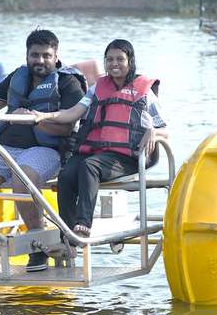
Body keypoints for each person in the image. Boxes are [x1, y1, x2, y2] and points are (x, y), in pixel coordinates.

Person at [0, 29, 86, 272]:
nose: (40, 60)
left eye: (46, 55)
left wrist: (34, 120)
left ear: (56, 55)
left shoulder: (68, 82)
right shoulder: (18, 76)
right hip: (9, 147)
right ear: (27, 55)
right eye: (35, 55)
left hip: (47, 149)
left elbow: (67, 127)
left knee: (22, 179)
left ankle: (37, 245)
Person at [20, 39, 167, 238]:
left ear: (130, 61)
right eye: (109, 59)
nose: (114, 63)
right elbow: (72, 113)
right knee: (66, 175)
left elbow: (164, 129)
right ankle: (68, 233)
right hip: (96, 152)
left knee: (89, 166)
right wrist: (43, 116)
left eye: (120, 59)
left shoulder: (144, 92)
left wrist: (154, 132)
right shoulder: (98, 87)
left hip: (127, 157)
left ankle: (83, 224)